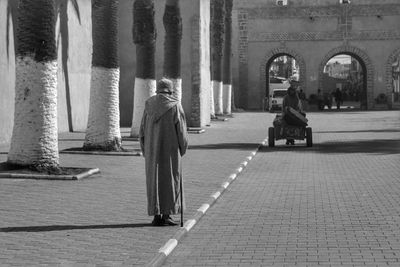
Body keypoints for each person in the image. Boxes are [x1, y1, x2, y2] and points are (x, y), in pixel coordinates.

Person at [139, 78, 188, 226]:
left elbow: (141, 131)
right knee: (170, 180)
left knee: (154, 181)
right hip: (170, 152)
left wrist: (145, 150)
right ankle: (167, 215)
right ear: (170, 90)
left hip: (152, 152)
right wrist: (182, 148)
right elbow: (182, 132)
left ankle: (156, 216)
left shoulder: (148, 105)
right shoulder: (175, 106)